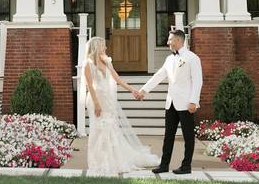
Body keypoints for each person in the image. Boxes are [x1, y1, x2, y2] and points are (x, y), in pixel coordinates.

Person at [84, 36, 159, 176]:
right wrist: (96, 103)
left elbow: (117, 79)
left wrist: (132, 90)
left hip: (108, 100)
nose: (105, 48)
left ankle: (113, 160)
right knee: (99, 129)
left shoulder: (106, 61)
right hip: (96, 100)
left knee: (111, 127)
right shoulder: (88, 63)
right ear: (97, 47)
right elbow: (90, 86)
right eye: (103, 46)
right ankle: (100, 162)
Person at [136, 30, 202, 174]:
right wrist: (143, 91)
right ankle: (164, 165)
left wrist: (193, 101)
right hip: (171, 103)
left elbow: (198, 81)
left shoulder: (192, 58)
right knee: (168, 135)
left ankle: (186, 166)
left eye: (170, 40)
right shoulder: (169, 59)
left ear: (178, 41)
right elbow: (158, 76)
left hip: (186, 104)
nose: (168, 42)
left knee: (188, 136)